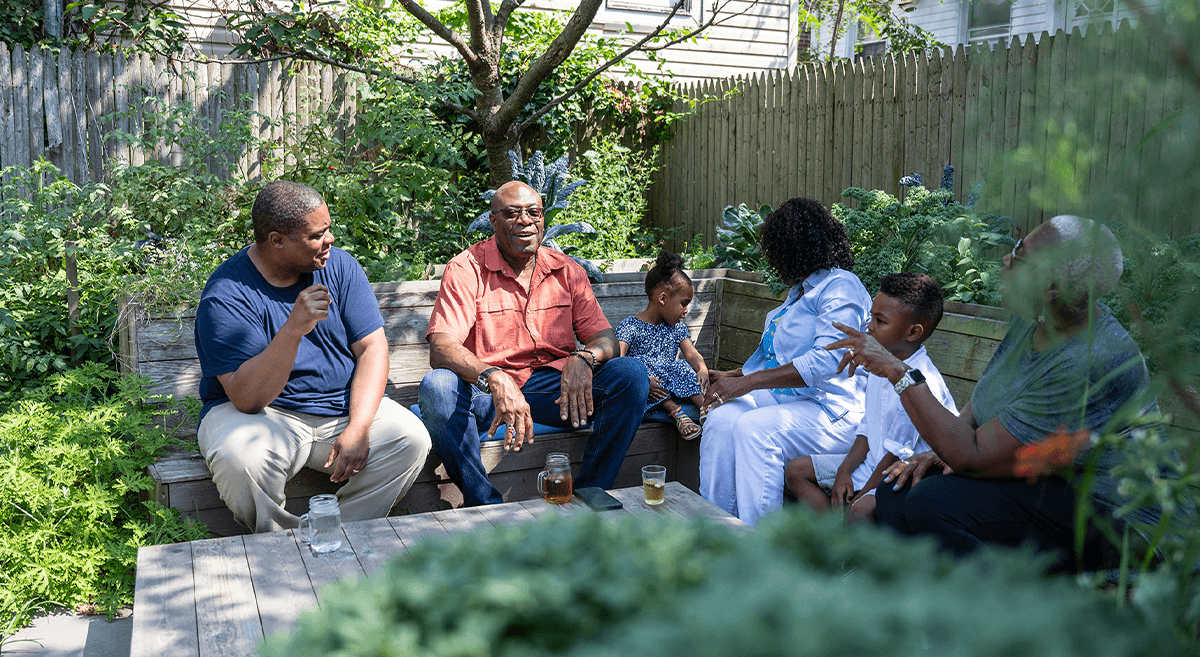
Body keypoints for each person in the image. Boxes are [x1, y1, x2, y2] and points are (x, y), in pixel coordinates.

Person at [829, 216, 1157, 571]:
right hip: (1045, 482)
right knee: (896, 494)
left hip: (1109, 514)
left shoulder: (1086, 360)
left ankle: (990, 614)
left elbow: (972, 456)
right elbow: (983, 404)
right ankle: (908, 599)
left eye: (1019, 255)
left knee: (933, 500)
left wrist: (896, 370)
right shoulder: (1035, 318)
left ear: (1052, 287)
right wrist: (940, 453)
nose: (1005, 260)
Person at [194, 181, 431, 533]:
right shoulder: (227, 296)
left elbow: (372, 348)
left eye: (329, 229)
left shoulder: (339, 267)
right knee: (240, 459)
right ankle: (279, 544)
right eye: (317, 235)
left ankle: (332, 534)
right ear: (277, 241)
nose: (330, 240)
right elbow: (247, 398)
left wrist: (359, 426)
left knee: (410, 439)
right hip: (264, 416)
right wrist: (292, 330)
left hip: (337, 408)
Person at [418, 181, 649, 506]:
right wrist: (494, 376)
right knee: (437, 387)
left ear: (543, 218)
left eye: (533, 212)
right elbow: (441, 347)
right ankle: (484, 504)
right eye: (512, 214)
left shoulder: (566, 270)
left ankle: (589, 492)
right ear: (493, 221)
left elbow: (605, 339)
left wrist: (584, 358)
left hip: (554, 393)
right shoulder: (467, 268)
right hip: (487, 395)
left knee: (631, 374)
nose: (525, 220)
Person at [699, 197, 872, 527]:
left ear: (795, 249)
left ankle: (761, 543)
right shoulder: (800, 293)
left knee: (756, 430)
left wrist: (746, 383)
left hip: (833, 412)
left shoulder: (840, 286)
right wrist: (732, 375)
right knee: (722, 418)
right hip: (793, 402)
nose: (773, 263)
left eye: (777, 252)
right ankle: (717, 526)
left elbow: (826, 361)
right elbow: (776, 359)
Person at [784, 273, 957, 524]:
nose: (869, 326)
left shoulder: (920, 381)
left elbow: (896, 454)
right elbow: (867, 427)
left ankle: (842, 547)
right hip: (872, 464)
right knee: (796, 471)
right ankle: (833, 538)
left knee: (860, 509)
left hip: (902, 475)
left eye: (880, 320)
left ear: (913, 332)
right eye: (871, 316)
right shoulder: (880, 361)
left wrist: (861, 495)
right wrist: (844, 470)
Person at [615, 250, 709, 440]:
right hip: (648, 390)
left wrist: (702, 369)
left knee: (681, 365)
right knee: (640, 363)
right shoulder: (630, 326)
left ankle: (706, 409)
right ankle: (677, 413)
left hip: (672, 385)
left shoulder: (676, 328)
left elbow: (691, 354)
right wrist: (641, 380)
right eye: (683, 303)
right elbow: (618, 361)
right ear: (663, 298)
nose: (685, 311)